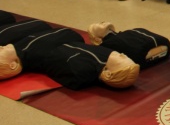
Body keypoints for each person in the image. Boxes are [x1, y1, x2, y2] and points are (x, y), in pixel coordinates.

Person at [0, 27, 140, 89]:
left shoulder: (79, 70)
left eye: (122, 58)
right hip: (62, 39)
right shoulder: (90, 62)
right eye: (124, 56)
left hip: (60, 41)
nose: (122, 54)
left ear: (108, 73)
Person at [87, 22, 170, 68]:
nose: (102, 23)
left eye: (102, 22)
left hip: (159, 46)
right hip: (144, 54)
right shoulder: (108, 44)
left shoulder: (131, 32)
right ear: (96, 38)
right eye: (98, 26)